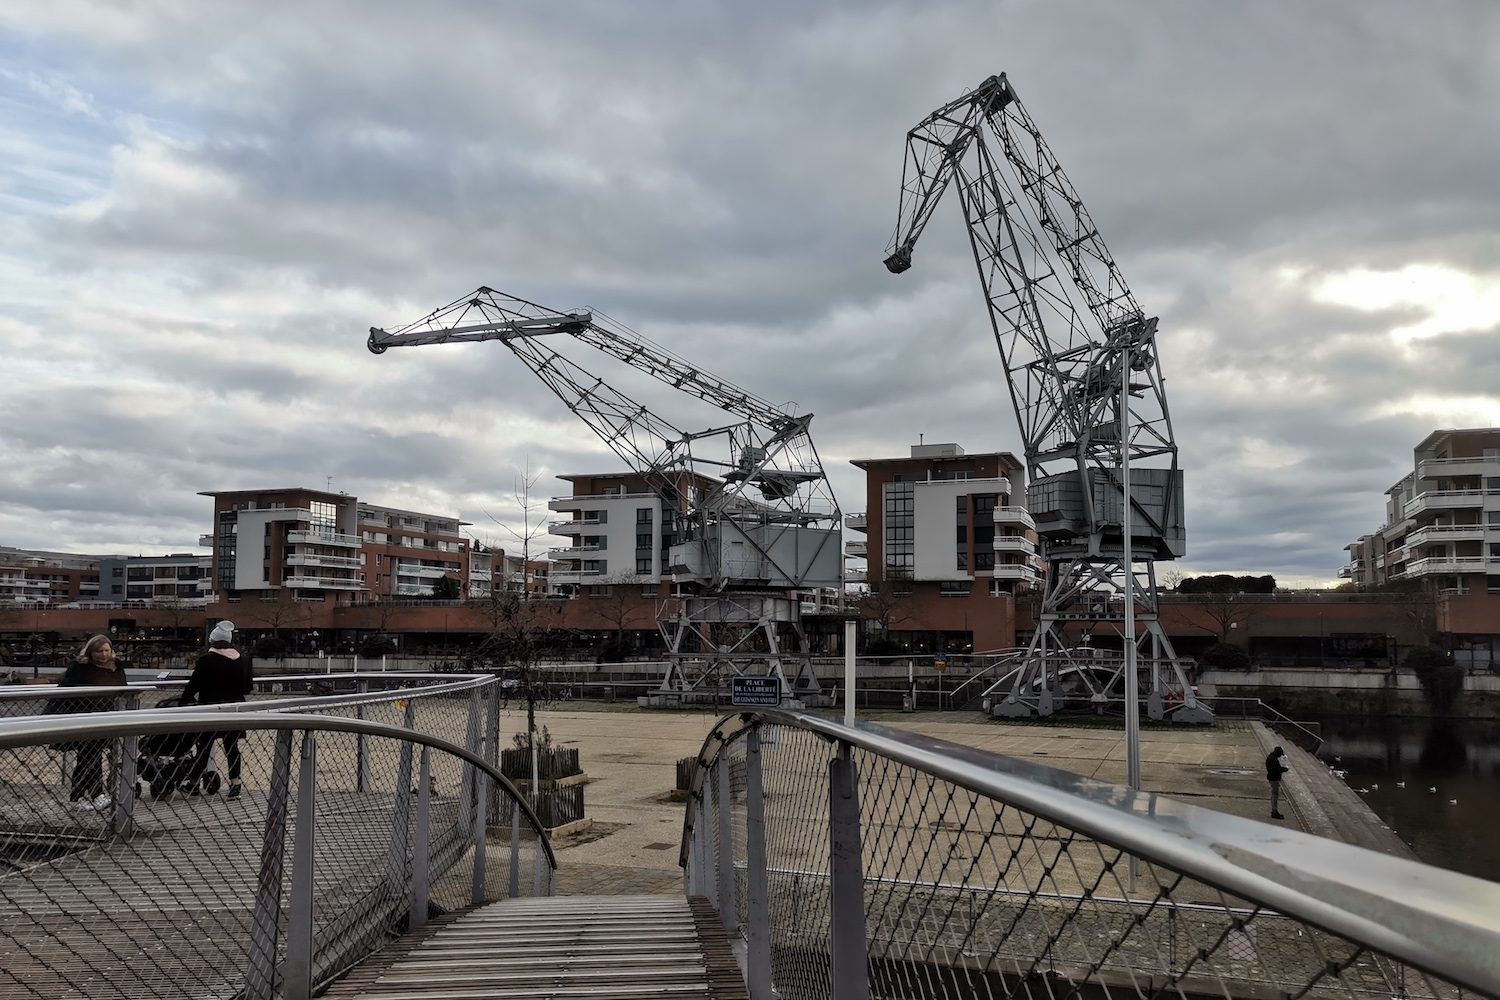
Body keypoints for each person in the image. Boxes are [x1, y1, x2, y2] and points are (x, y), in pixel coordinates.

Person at [44, 635, 130, 810]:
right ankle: (87, 795)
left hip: (110, 719)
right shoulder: (80, 668)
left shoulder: (116, 667)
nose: (104, 655)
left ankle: (94, 794)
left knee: (107, 756)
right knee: (89, 756)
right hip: (85, 718)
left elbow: (124, 689)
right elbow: (64, 691)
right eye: (99, 651)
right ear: (91, 652)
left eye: (107, 650)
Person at [181, 621, 252, 799]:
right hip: (235, 709)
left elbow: (193, 686)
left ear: (212, 641)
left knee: (204, 747)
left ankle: (194, 783)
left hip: (210, 710)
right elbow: (247, 688)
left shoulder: (206, 660)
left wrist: (182, 704)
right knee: (232, 748)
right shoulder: (243, 659)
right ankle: (235, 785)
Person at [1265, 745, 1289, 820]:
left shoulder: (1271, 757)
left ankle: (1274, 811)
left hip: (1272, 777)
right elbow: (1275, 769)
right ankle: (1274, 811)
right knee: (1275, 794)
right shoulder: (1273, 759)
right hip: (1274, 779)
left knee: (1274, 794)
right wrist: (1284, 769)